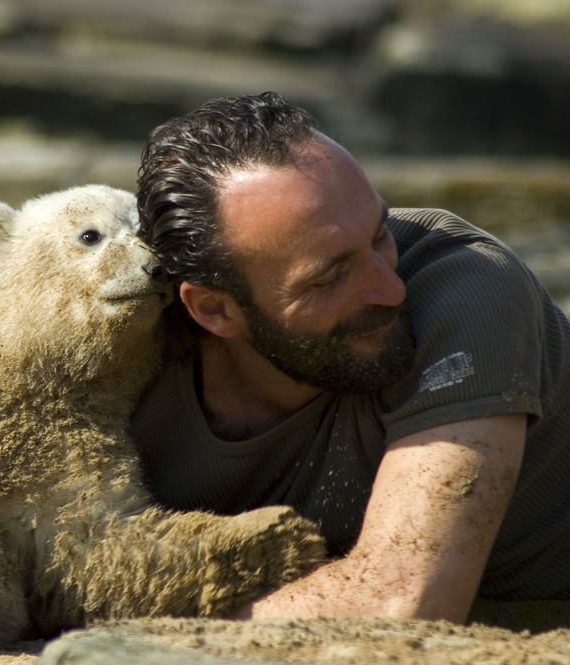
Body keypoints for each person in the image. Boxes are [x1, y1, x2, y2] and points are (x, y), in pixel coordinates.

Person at [130, 91, 570, 622]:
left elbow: (402, 601)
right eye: (330, 276)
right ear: (214, 309)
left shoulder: (468, 288)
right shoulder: (124, 361)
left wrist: (135, 612)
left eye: (379, 234)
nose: (390, 289)